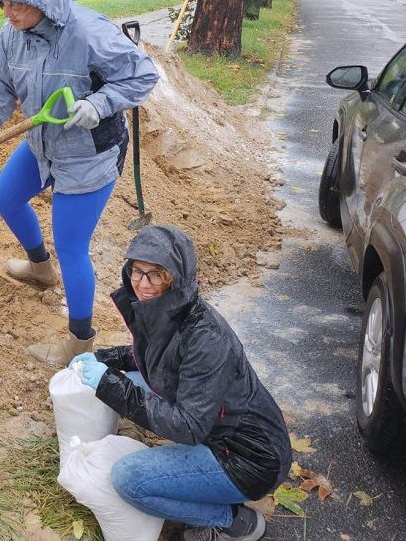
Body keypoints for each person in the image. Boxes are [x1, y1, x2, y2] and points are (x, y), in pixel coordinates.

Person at [0, 0, 158, 366]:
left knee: (72, 246)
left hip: (90, 152)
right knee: (5, 196)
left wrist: (100, 104)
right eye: (3, 3)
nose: (8, 12)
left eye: (18, 4)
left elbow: (143, 74)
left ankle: (80, 341)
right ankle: (39, 268)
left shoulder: (88, 32)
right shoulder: (10, 38)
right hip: (43, 142)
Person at [70, 225, 292, 541]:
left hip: (248, 457)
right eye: (136, 271)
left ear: (175, 277)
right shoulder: (170, 310)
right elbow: (154, 358)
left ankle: (231, 520)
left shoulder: (205, 338)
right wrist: (105, 360)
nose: (142, 284)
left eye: (155, 274)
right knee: (132, 378)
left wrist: (107, 384)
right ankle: (200, 484)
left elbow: (188, 427)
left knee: (128, 480)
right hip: (219, 429)